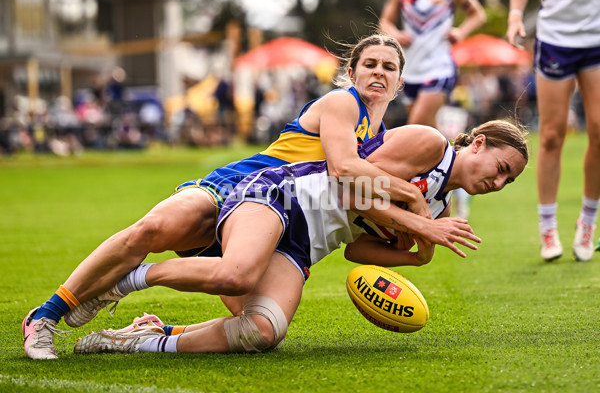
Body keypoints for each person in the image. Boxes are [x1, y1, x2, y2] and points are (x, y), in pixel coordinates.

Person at [22, 33, 467, 360]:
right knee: (154, 229)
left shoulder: (383, 139)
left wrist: (415, 242)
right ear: (352, 72)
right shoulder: (342, 103)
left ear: (400, 81)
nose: (378, 72)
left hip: (283, 229)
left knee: (258, 328)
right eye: (370, 64)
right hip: (244, 189)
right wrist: (415, 203)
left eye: (389, 68)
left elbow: (356, 209)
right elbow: (344, 169)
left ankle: (144, 333)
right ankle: (45, 316)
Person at [73, 119, 529, 355]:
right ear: (479, 144)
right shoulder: (430, 146)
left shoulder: (439, 208)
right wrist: (420, 223)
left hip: (306, 243)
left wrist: (416, 258)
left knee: (261, 332)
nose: (497, 181)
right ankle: (127, 280)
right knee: (235, 275)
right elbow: (351, 186)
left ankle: (143, 339)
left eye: (507, 182)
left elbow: (354, 247)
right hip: (284, 196)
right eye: (501, 168)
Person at [506, 0, 600, 262]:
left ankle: (588, 222)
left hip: (597, 36)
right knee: (550, 135)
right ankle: (547, 227)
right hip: (556, 38)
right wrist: (515, 15)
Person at [379, 0, 486, 221]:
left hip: (440, 67)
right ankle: (456, 186)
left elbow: (478, 15)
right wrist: (395, 34)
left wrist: (461, 32)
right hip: (410, 70)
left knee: (414, 127)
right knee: (431, 134)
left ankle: (408, 192)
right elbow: (385, 22)